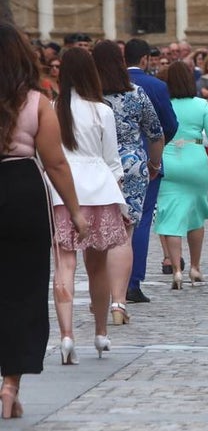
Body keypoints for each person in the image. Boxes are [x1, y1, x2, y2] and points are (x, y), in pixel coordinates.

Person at [1, 23, 87, 418]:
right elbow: (55, 162)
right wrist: (75, 210)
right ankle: (10, 383)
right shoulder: (36, 101)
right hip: (20, 188)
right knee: (23, 288)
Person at [49, 47, 129, 364]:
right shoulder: (102, 111)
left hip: (62, 191)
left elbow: (48, 158)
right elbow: (112, 160)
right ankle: (99, 331)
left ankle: (66, 335)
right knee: (97, 267)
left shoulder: (53, 108)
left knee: (64, 265)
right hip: (98, 189)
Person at [92, 41, 165, 324]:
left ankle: (98, 295)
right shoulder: (136, 93)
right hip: (132, 165)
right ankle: (118, 303)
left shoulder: (88, 97)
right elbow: (156, 132)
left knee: (97, 234)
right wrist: (154, 164)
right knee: (125, 232)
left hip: (96, 167)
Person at [155, 62, 208, 289]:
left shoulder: (163, 104)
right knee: (196, 216)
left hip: (169, 158)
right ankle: (195, 267)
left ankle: (176, 270)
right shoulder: (202, 105)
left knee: (170, 216)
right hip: (196, 160)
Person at [123, 38, 179, 303]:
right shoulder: (155, 85)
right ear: (145, 59)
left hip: (108, 162)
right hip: (145, 160)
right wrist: (155, 147)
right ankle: (133, 281)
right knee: (142, 220)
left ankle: (109, 282)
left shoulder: (103, 84)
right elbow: (169, 124)